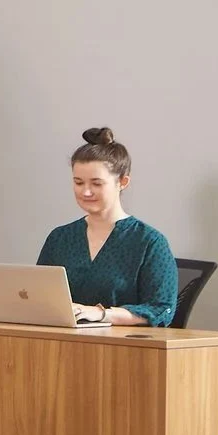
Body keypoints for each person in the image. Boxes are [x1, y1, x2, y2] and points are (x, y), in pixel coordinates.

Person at [37, 127, 179, 327]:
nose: (86, 192)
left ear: (122, 182)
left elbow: (162, 308)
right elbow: (39, 297)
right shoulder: (60, 238)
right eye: (78, 182)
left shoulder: (149, 242)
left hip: (122, 349)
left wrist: (101, 314)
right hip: (63, 344)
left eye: (96, 183)